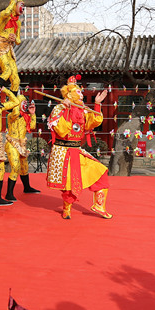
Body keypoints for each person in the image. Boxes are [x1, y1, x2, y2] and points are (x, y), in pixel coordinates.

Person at [45, 75, 112, 219]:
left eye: (81, 92)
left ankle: (99, 205)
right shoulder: (58, 109)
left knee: (100, 171)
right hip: (62, 151)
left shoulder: (83, 109)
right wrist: (67, 110)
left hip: (77, 149)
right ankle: (66, 209)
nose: (81, 94)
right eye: (78, 92)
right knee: (68, 183)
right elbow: (62, 130)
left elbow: (94, 122)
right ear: (69, 94)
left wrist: (97, 104)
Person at [3, 93, 40, 199]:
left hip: (22, 144)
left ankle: (27, 187)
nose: (25, 105)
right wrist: (16, 106)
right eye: (22, 103)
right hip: (12, 143)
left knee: (24, 167)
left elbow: (32, 126)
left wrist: (32, 114)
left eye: (25, 102)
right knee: (15, 167)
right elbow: (15, 114)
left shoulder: (25, 117)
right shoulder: (11, 115)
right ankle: (9, 193)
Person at [0, 0, 23, 91]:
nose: (23, 8)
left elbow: (18, 40)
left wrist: (15, 39)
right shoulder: (5, 16)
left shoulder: (18, 23)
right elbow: (5, 13)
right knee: (7, 70)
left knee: (16, 80)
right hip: (0, 46)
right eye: (21, 5)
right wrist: (13, 2)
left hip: (9, 49)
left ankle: (13, 104)